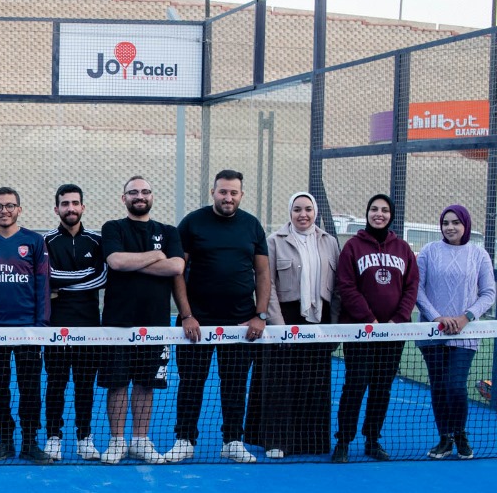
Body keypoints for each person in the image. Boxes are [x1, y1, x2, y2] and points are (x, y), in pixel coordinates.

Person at [168, 169, 269, 463]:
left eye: (233, 192)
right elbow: (177, 272)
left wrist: (260, 315)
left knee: (235, 385)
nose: (228, 197)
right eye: (223, 191)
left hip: (240, 324)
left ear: (241, 195)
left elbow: (263, 272)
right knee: (191, 383)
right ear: (213, 192)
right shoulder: (192, 223)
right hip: (196, 324)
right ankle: (184, 440)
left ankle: (232, 441)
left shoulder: (252, 226)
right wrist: (186, 315)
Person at [99, 176, 184, 464]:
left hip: (155, 323)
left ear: (152, 196)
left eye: (145, 191)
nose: (140, 196)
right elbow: (115, 262)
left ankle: (140, 441)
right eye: (133, 192)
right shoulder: (113, 228)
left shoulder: (169, 231)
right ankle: (117, 441)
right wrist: (156, 256)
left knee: (146, 384)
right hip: (117, 322)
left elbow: (176, 267)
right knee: (117, 383)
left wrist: (133, 263)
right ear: (124, 198)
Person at [0, 187, 53, 464]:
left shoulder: (34, 241)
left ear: (19, 209)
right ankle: (5, 440)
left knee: (30, 389)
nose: (4, 211)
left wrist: (40, 326)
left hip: (27, 330)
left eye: (9, 206)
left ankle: (29, 442)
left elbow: (42, 285)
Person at [333, 194, 419, 462]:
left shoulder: (403, 249)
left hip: (393, 333)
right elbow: (346, 286)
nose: (379, 214)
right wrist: (369, 319)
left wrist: (397, 320)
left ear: (391, 215)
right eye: (374, 209)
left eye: (384, 210)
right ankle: (343, 442)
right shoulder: (352, 247)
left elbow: (411, 286)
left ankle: (372, 439)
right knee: (355, 385)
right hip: (360, 331)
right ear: (367, 213)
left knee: (382, 387)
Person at [255, 191, 340, 458]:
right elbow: (266, 285)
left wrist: (334, 327)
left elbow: (336, 288)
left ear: (315, 212)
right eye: (297, 209)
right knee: (281, 383)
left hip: (319, 322)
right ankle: (277, 441)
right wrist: (279, 326)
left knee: (315, 382)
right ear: (290, 212)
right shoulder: (274, 241)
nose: (303, 214)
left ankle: (311, 442)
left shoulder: (330, 243)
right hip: (284, 318)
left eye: (308, 209)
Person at [415, 204, 494, 459]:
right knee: (439, 386)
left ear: (465, 225)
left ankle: (460, 434)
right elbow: (416, 289)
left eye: (455, 222)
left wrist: (465, 318)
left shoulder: (479, 254)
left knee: (456, 386)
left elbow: (488, 293)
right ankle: (445, 439)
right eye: (445, 223)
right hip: (432, 334)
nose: (450, 227)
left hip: (464, 335)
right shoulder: (429, 251)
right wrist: (437, 318)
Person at [43, 183, 106, 461]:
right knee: (55, 383)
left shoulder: (97, 240)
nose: (70, 208)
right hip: (56, 326)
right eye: (65, 203)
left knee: (84, 384)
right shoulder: (45, 241)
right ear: (56, 209)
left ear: (83, 207)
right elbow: (47, 277)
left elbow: (103, 277)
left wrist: (64, 285)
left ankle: (84, 438)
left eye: (75, 203)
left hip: (89, 325)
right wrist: (85, 276)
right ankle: (53, 437)